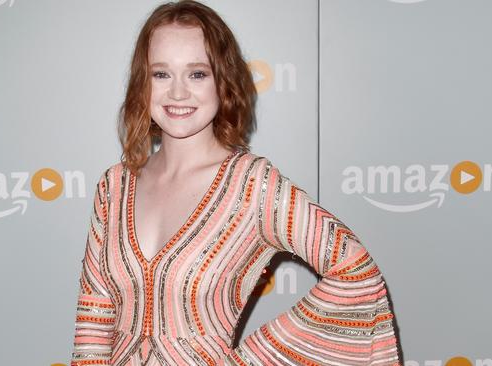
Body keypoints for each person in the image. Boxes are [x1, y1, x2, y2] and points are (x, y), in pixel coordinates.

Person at [70, 1, 402, 365]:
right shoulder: (114, 187)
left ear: (222, 81)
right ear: (142, 83)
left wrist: (254, 358)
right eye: (161, 74)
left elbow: (356, 271)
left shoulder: (252, 186)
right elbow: (94, 317)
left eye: (197, 74)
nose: (178, 93)